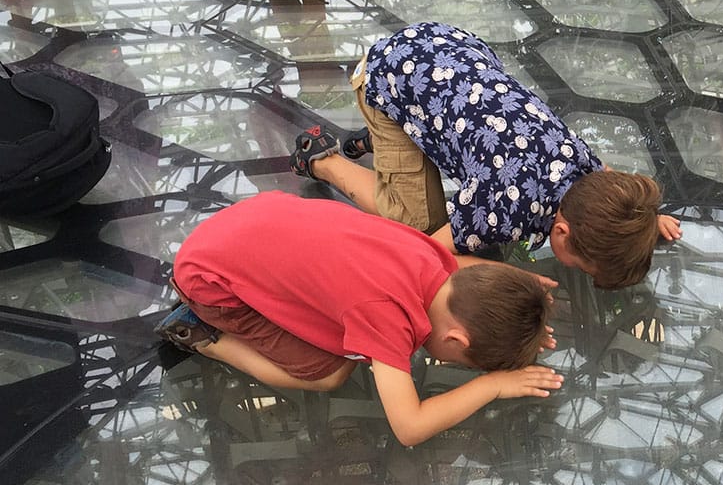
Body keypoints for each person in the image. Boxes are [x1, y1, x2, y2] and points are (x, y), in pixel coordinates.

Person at [290, 21, 682, 289]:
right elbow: (428, 251)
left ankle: (399, 136)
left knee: (448, 146)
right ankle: (325, 158)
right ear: (561, 232)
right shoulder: (510, 210)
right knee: (413, 221)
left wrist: (645, 219)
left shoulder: (586, 170)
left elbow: (613, 179)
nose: (574, 270)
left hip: (448, 49)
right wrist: (503, 274)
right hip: (386, 75)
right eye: (580, 265)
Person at [156, 190, 562, 446]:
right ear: (457, 340)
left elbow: (465, 269)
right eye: (456, 362)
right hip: (210, 282)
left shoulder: (430, 259)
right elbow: (410, 427)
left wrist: (515, 311)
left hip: (249, 218)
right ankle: (206, 336)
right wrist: (492, 385)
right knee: (329, 372)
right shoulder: (386, 318)